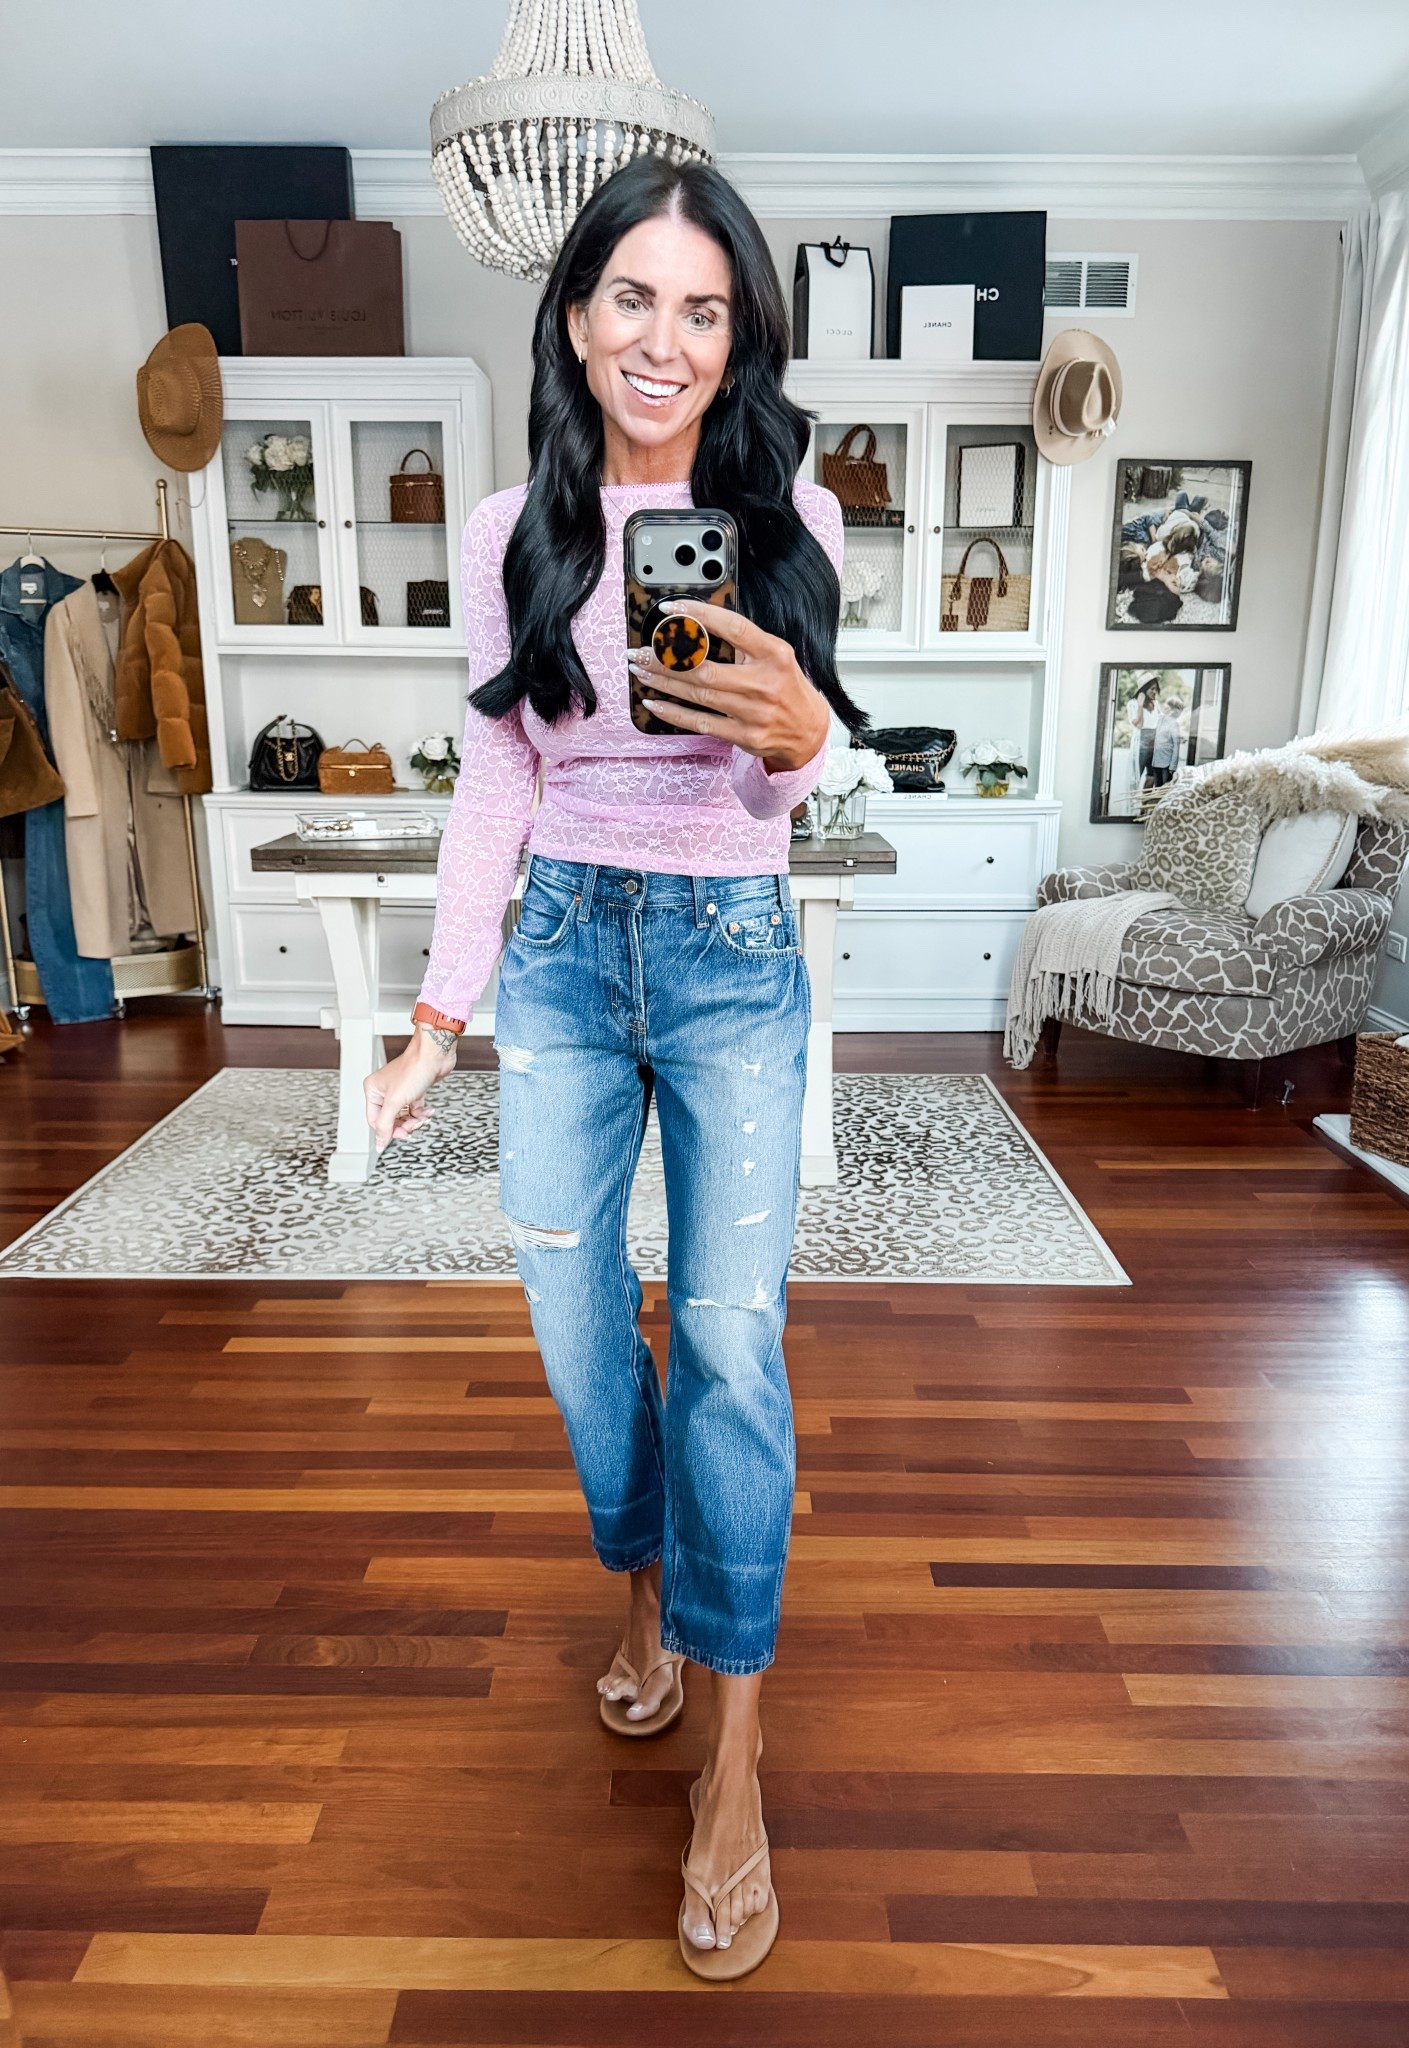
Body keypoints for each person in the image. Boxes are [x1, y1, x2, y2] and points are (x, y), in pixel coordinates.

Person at [363, 156, 863, 1980]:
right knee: (583, 1340)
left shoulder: (784, 509)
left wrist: (804, 737)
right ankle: (642, 1596)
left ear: (739, 341)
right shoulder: (513, 529)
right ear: (576, 317)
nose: (665, 339)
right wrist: (436, 1015)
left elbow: (761, 787)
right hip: (566, 953)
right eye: (633, 299)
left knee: (726, 1341)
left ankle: (731, 1755)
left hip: (730, 947)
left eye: (704, 307)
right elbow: (505, 774)